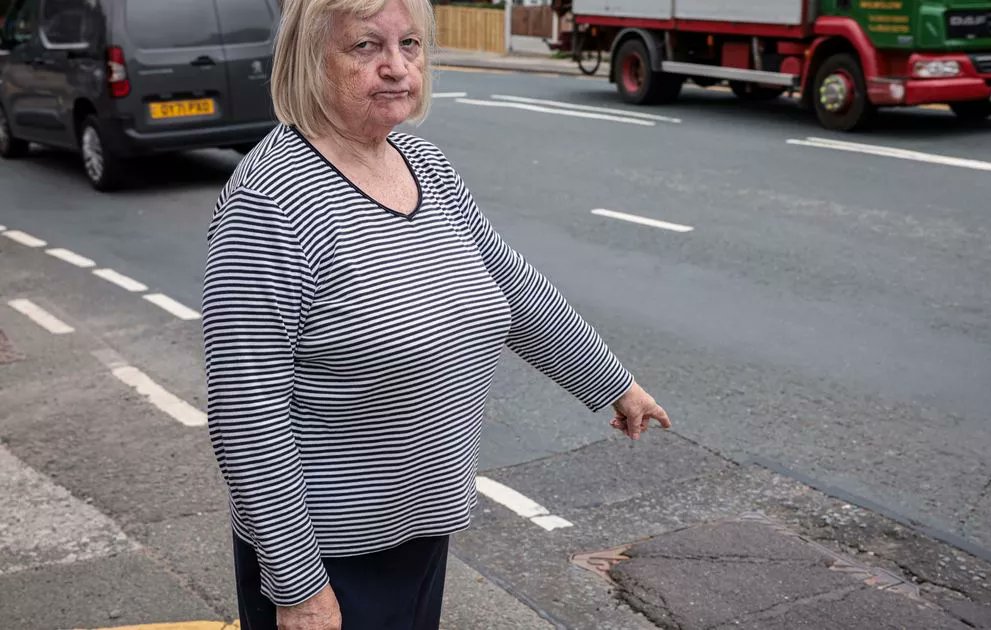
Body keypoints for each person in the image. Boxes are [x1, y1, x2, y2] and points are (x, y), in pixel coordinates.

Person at [200, 0, 671, 629]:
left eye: (411, 45)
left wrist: (613, 384)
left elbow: (514, 287)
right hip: (329, 557)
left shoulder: (424, 166)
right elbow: (245, 411)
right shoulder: (271, 202)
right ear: (311, 58)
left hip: (420, 529)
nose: (397, 67)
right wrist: (297, 586)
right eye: (366, 47)